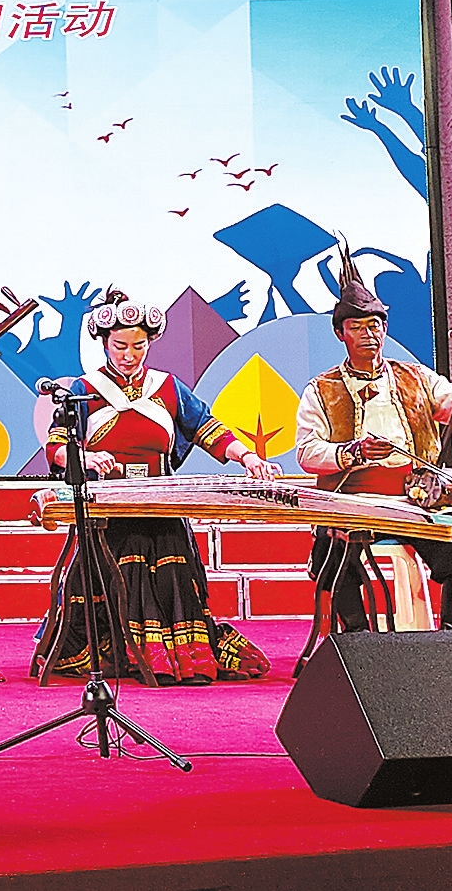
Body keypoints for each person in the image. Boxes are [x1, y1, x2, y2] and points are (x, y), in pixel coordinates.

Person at [31, 291, 275, 684]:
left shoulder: (167, 386)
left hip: (160, 503)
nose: (129, 355)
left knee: (170, 569)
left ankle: (175, 657)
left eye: (138, 346)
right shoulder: (84, 388)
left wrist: (247, 457)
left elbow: (208, 428)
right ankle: (120, 650)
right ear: (104, 343)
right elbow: (57, 445)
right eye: (120, 346)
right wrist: (86, 457)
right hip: (108, 508)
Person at [293, 256, 452, 632]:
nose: (368, 334)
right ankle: (356, 639)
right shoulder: (321, 389)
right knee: (329, 546)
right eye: (357, 327)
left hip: (413, 501)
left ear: (385, 329)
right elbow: (306, 452)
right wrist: (352, 452)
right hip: (352, 504)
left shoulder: (416, 377)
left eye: (375, 325)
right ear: (340, 334)